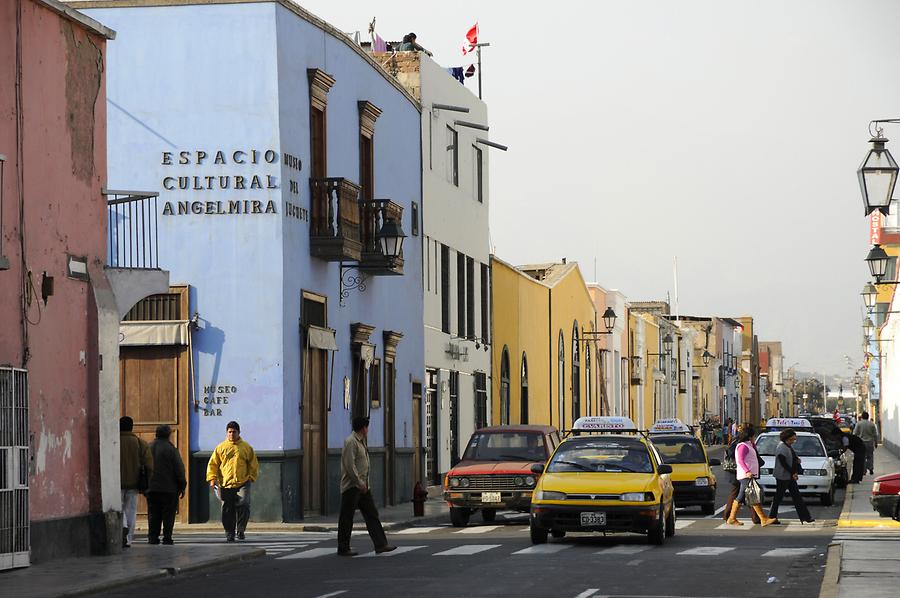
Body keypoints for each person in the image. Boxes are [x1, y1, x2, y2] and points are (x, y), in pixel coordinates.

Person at [337, 416, 396, 556]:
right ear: (363, 428)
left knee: (372, 514)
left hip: (363, 486)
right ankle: (343, 547)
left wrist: (364, 484)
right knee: (346, 517)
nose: (368, 429)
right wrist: (359, 482)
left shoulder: (361, 441)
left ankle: (381, 544)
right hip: (352, 486)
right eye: (367, 427)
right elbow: (349, 466)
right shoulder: (351, 442)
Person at [206, 421, 259, 542]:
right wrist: (212, 479)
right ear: (226, 433)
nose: (231, 434)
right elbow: (213, 464)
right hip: (225, 483)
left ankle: (240, 529)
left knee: (244, 504)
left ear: (239, 432)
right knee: (227, 508)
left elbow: (253, 464)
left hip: (243, 482)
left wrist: (251, 476)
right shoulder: (220, 448)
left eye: (234, 432)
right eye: (229, 432)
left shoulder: (246, 447)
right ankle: (229, 532)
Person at [147, 424, 186, 545]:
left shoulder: (148, 447)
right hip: (169, 489)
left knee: (153, 514)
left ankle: (153, 537)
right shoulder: (171, 449)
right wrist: (182, 485)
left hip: (151, 487)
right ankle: (167, 537)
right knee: (168, 514)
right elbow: (179, 469)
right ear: (168, 434)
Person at [729, 425, 775, 526]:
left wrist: (753, 444)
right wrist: (747, 471)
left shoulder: (748, 445)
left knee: (741, 497)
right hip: (746, 475)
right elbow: (740, 460)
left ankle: (732, 518)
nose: (754, 438)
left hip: (749, 475)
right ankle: (763, 518)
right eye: (754, 436)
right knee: (754, 494)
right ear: (750, 436)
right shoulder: (742, 446)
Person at [767, 429, 814, 524]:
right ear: (787, 438)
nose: (794, 440)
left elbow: (792, 459)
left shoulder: (788, 446)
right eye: (793, 439)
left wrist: (796, 461)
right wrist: (793, 472)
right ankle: (772, 517)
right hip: (783, 476)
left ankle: (805, 517)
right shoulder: (782, 447)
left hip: (789, 476)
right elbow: (783, 463)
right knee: (778, 497)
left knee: (797, 497)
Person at [120, 416, 153, 548]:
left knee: (118, 509)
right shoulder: (140, 443)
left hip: (117, 483)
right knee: (131, 511)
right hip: (134, 483)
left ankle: (121, 529)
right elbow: (149, 466)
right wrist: (148, 484)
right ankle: (128, 539)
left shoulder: (112, 442)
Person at [722, 424, 761, 525]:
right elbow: (739, 458)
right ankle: (730, 516)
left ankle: (732, 517)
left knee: (747, 493)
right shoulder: (740, 443)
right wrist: (747, 470)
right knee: (746, 493)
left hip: (743, 472)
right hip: (739, 472)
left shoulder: (746, 442)